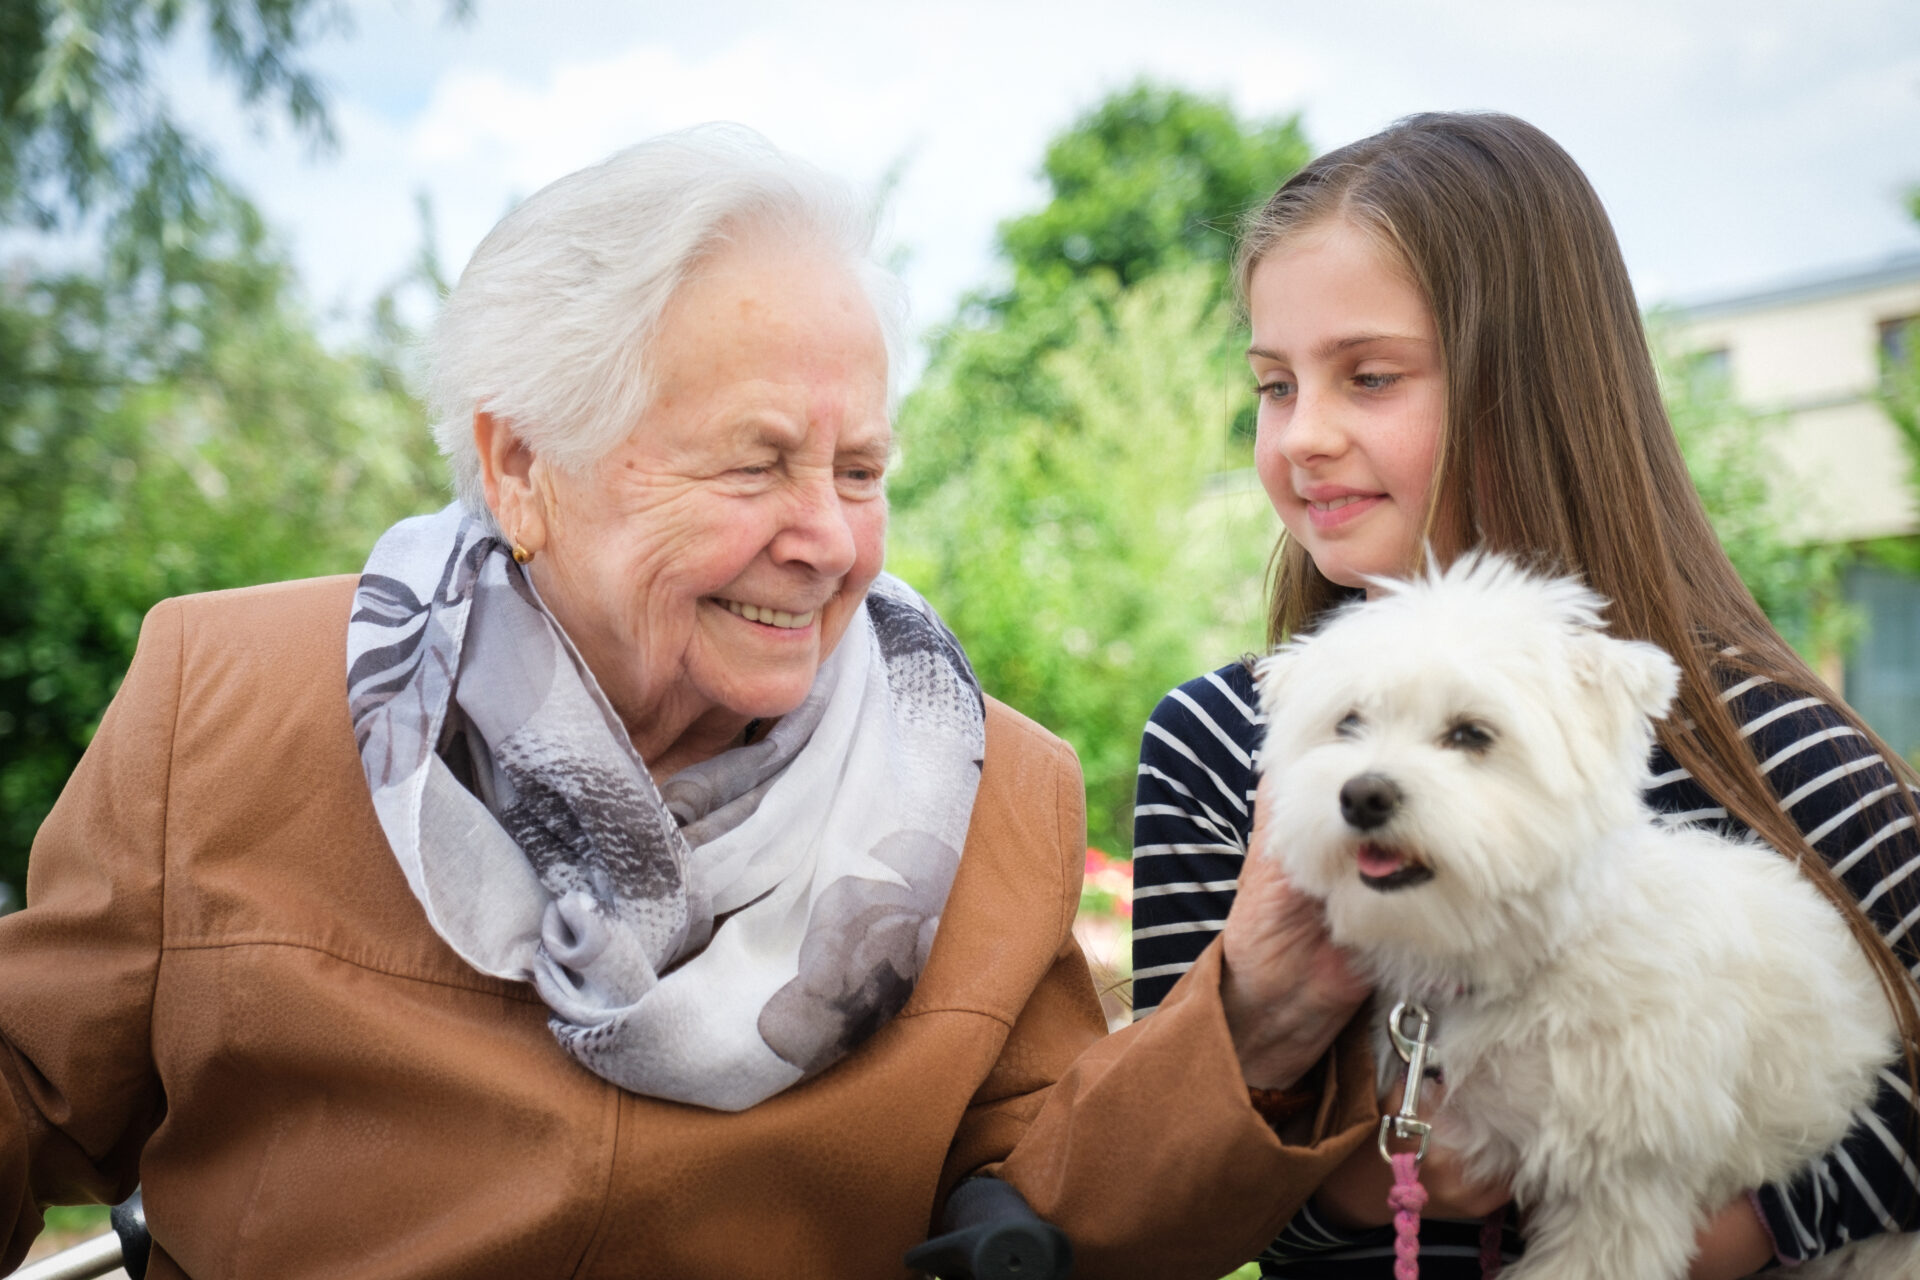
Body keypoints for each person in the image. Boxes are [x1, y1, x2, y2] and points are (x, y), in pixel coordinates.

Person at [2, 125, 1384, 1280]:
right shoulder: (229, 697)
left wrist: (1258, 1003)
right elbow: (31, 1093)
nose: (829, 541)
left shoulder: (988, 787)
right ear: (520, 465)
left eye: (859, 471)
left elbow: (1053, 1215)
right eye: (754, 466)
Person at [1133, 111, 1920, 1279]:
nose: (1304, 435)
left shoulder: (1759, 738)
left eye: (1370, 376)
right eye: (1274, 385)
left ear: (1532, 381)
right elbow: (1165, 1202)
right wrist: (1365, 1166)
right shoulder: (1221, 743)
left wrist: (1704, 1228)